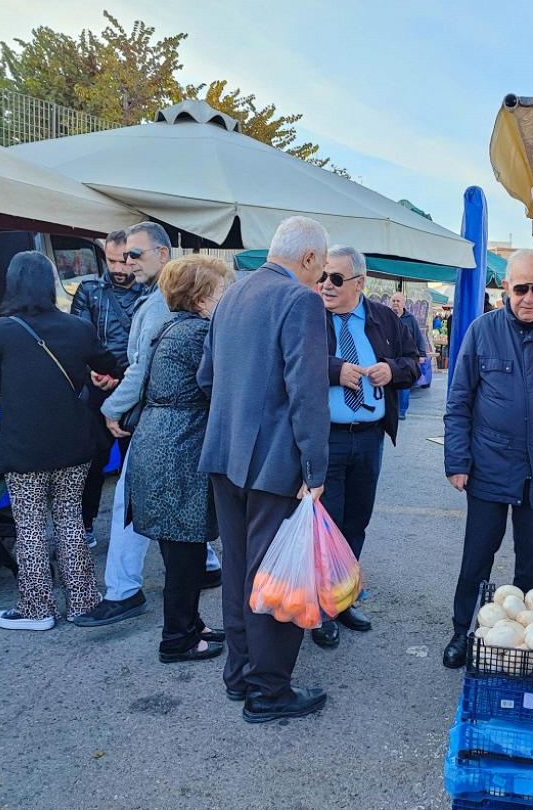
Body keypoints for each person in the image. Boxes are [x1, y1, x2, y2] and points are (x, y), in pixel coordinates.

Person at [198, 216, 331, 723]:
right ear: (310, 259)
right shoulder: (300, 301)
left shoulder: (231, 295)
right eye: (320, 269)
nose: (320, 280)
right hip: (275, 463)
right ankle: (269, 691)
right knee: (278, 578)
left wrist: (239, 420)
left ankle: (240, 675)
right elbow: (307, 392)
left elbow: (206, 377)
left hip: (226, 456)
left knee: (238, 569)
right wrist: (315, 468)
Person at [442, 250, 533, 669]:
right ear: (505, 287)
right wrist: (458, 460)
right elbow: (459, 400)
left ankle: (523, 643)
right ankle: (462, 631)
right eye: (520, 288)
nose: (528, 297)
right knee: (478, 557)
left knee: (530, 562)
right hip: (489, 465)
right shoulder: (482, 330)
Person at [74, 221, 222, 628]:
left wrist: (113, 407)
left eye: (135, 254)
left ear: (163, 254)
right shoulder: (155, 301)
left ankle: (124, 592)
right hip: (172, 428)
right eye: (123, 255)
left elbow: (145, 369)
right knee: (173, 507)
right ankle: (202, 570)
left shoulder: (161, 305)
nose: (127, 261)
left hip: (162, 428)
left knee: (132, 504)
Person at [0, 252, 121, 631]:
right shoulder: (77, 327)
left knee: (29, 527)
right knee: (71, 520)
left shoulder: (0, 330)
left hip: (24, 447)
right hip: (74, 444)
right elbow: (109, 365)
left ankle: (37, 610)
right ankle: (84, 602)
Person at [126, 254, 235, 664]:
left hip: (165, 442)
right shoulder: (196, 334)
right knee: (185, 552)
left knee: (182, 549)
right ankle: (176, 639)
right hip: (178, 448)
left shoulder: (174, 327)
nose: (227, 296)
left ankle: (191, 624)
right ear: (202, 295)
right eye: (222, 289)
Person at [312, 247, 419, 649]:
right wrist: (335, 370)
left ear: (359, 282)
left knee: (356, 523)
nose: (325, 284)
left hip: (370, 438)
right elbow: (291, 362)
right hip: (327, 438)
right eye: (323, 276)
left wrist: (393, 370)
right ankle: (319, 611)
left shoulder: (384, 317)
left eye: (336, 278)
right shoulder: (310, 314)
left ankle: (341, 601)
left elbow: (413, 362)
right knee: (327, 528)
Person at [70, 229, 147, 546]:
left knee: (136, 464)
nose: (117, 268)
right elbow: (76, 336)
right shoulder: (89, 290)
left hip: (133, 387)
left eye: (123, 260)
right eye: (111, 260)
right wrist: (92, 371)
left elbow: (150, 345)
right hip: (96, 388)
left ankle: (135, 530)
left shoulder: (149, 293)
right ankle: (85, 526)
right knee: (92, 461)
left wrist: (122, 375)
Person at [389, 291, 427, 421]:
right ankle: (391, 409)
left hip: (406, 357)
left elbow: (419, 337)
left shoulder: (410, 319)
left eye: (398, 301)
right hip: (390, 357)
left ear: (403, 303)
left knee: (404, 384)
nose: (395, 303)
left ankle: (402, 411)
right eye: (393, 301)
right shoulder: (386, 316)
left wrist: (422, 354)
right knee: (390, 384)